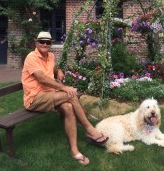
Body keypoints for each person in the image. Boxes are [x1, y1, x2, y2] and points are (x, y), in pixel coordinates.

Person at [22, 31, 108, 166]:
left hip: (50, 94)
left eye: (48, 42)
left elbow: (52, 68)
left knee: (68, 107)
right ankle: (90, 130)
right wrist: (64, 88)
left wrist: (58, 70)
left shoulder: (50, 56)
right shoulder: (31, 57)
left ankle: (74, 151)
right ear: (36, 42)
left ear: (50, 44)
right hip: (35, 98)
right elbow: (41, 78)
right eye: (42, 41)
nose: (45, 44)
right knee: (71, 95)